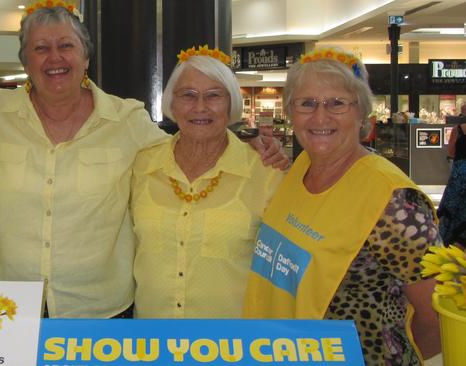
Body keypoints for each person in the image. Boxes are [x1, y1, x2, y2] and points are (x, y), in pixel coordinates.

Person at [0, 2, 288, 318]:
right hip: (4, 310)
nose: (54, 58)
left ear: (86, 56)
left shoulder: (127, 119)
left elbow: (189, 139)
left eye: (66, 46)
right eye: (40, 48)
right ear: (26, 62)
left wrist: (246, 141)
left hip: (102, 312)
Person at [242, 48, 441, 365]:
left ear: (361, 112)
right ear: (291, 112)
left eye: (337, 103)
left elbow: (436, 317)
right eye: (307, 103)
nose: (321, 117)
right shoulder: (298, 168)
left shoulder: (395, 201)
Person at [132, 46, 283, 318]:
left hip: (231, 346)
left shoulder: (266, 172)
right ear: (171, 104)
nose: (200, 107)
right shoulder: (141, 164)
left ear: (231, 104)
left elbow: (282, 269)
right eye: (188, 95)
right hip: (152, 341)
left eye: (214, 96)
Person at [438, 119, 466, 246]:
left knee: (454, 212)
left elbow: (450, 152)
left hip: (459, 178)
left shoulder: (458, 130)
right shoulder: (457, 130)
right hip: (459, 179)